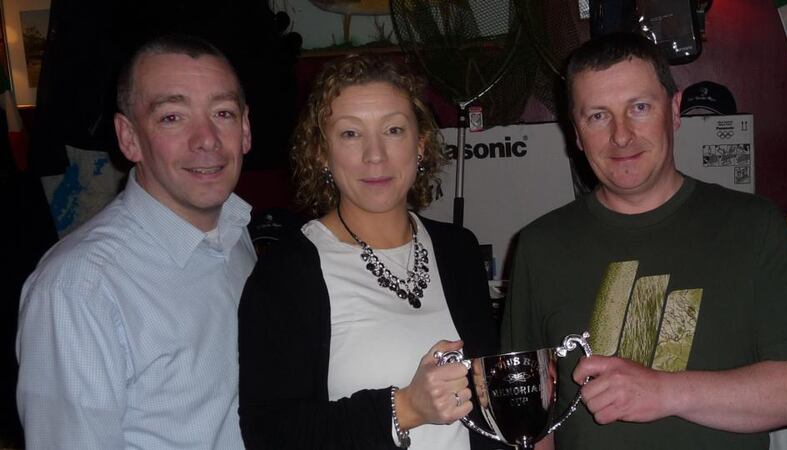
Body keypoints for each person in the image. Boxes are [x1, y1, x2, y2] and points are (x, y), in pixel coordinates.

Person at [502, 32, 787, 450]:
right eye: (598, 116)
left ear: (675, 111)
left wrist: (664, 391)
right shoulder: (539, 245)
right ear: (576, 133)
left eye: (639, 108)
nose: (621, 136)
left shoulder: (755, 226)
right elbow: (532, 414)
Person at [238, 54, 503, 449]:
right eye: (350, 134)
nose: (374, 155)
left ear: (421, 144)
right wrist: (406, 407)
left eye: (393, 130)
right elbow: (271, 434)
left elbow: (481, 409)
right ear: (321, 153)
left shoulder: (458, 250)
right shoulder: (287, 274)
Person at [16, 34, 255, 449]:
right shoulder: (78, 290)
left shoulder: (236, 230)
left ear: (246, 129)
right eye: (172, 117)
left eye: (223, 112)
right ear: (128, 138)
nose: (207, 139)